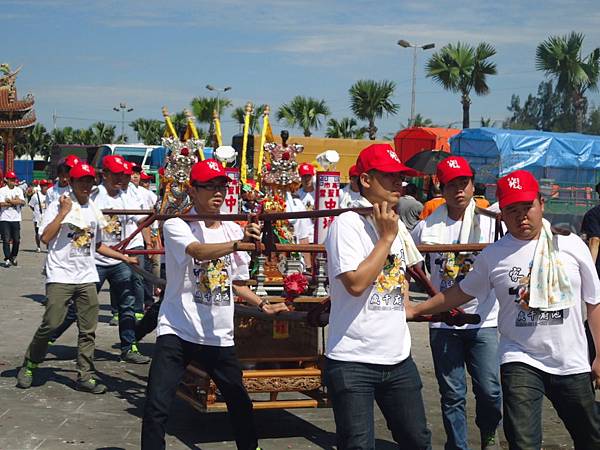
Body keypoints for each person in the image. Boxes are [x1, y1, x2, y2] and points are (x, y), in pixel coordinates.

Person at [411, 169, 600, 449]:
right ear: (502, 214)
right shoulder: (494, 255)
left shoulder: (571, 245)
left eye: (528, 207)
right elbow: (460, 292)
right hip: (520, 358)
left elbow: (594, 301)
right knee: (522, 440)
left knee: (590, 437)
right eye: (512, 209)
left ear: (541, 204)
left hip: (569, 360)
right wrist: (416, 310)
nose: (522, 216)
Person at [141, 158, 288, 450]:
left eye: (221, 186)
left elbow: (235, 283)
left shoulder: (233, 229)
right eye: (209, 186)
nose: (217, 193)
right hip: (178, 329)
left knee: (239, 400)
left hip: (218, 334)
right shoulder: (177, 225)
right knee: (157, 404)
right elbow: (197, 251)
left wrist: (262, 305)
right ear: (192, 190)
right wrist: (237, 244)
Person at [324, 143, 431, 449]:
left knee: (417, 439)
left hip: (398, 358)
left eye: (401, 177)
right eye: (390, 176)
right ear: (367, 180)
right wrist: (386, 238)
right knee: (358, 444)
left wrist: (411, 306)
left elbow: (398, 280)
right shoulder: (346, 225)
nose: (400, 183)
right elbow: (356, 284)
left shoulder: (392, 223)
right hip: (353, 360)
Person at [16, 162, 138, 393]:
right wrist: (63, 213)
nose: (85, 184)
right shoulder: (58, 205)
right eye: (80, 180)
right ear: (71, 182)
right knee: (51, 322)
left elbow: (98, 244)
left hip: (86, 276)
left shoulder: (93, 209)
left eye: (89, 180)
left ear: (94, 183)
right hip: (61, 274)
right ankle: (30, 363)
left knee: (88, 329)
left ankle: (85, 374)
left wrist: (122, 257)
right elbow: (45, 238)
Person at [411, 156, 502, 450]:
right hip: (443, 322)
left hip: (483, 321)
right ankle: (458, 446)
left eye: (464, 183)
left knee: (489, 391)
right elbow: (405, 259)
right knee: (452, 395)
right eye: (452, 185)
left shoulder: (492, 223)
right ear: (442, 188)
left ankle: (489, 431)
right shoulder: (427, 228)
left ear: (473, 184)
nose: (459, 190)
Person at [50, 155, 150, 363]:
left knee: (127, 303)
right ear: (105, 175)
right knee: (79, 307)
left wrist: (152, 238)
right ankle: (50, 337)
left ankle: (128, 346)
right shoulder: (94, 194)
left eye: (124, 175)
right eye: (117, 175)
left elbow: (142, 219)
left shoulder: (127, 195)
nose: (122, 179)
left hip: (117, 259)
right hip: (94, 259)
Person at [0, 170, 26, 267]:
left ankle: (13, 256)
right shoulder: (2, 190)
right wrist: (15, 201)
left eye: (14, 179)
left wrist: (10, 201)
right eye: (11, 179)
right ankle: (7, 258)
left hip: (16, 218)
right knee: (6, 239)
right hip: (5, 218)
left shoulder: (18, 190)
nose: (13, 181)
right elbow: (1, 203)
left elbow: (23, 202)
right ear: (7, 180)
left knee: (17, 240)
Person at [29, 179, 49, 252]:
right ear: (41, 187)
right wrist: (36, 212)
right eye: (44, 186)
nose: (46, 187)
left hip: (47, 217)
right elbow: (31, 205)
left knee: (47, 232)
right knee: (37, 232)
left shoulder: (49, 195)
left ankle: (47, 247)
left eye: (46, 185)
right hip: (38, 217)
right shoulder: (35, 196)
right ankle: (38, 247)